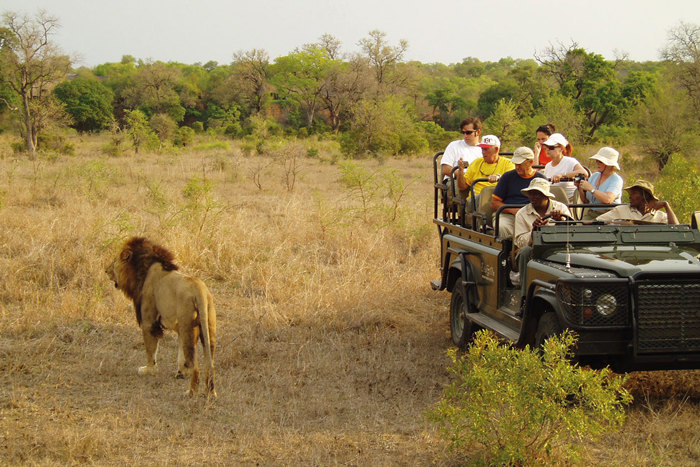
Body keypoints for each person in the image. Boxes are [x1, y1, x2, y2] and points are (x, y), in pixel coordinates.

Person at [513, 178, 572, 301]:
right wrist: (534, 231)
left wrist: (560, 221)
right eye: (531, 194)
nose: (533, 197)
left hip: (558, 248)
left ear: (546, 196)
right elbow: (519, 241)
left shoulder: (561, 208)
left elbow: (572, 232)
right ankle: (525, 298)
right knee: (524, 252)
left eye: (538, 194)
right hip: (534, 250)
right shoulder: (522, 213)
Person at [490, 147, 547, 238]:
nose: (517, 167)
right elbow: (494, 203)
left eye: (520, 164)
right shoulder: (507, 177)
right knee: (502, 227)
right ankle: (509, 250)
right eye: (516, 164)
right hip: (509, 215)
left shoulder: (541, 179)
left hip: (533, 214)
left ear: (531, 162)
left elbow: (546, 203)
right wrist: (513, 211)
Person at [456, 134, 514, 205]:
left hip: (497, 197)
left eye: (486, 149)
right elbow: (462, 187)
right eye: (482, 149)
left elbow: (511, 183)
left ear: (496, 149)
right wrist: (461, 171)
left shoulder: (508, 164)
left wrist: (499, 177)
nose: (483, 152)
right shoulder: (476, 163)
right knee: (481, 201)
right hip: (477, 199)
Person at [596, 180, 679, 224]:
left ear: (645, 196)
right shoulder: (620, 210)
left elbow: (676, 229)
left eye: (634, 193)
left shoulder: (660, 216)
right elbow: (598, 222)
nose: (630, 196)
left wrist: (666, 205)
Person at [575, 147, 623, 220]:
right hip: (591, 213)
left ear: (609, 165)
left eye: (600, 161)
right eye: (596, 161)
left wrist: (591, 189)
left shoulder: (616, 180)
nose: (597, 163)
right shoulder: (594, 176)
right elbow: (585, 201)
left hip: (609, 215)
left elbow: (608, 199)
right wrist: (580, 187)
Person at [542, 133, 587, 201]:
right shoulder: (548, 166)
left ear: (561, 149)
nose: (547, 150)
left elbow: (584, 173)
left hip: (569, 201)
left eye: (551, 147)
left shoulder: (570, 161)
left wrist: (562, 175)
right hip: (552, 201)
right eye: (546, 147)